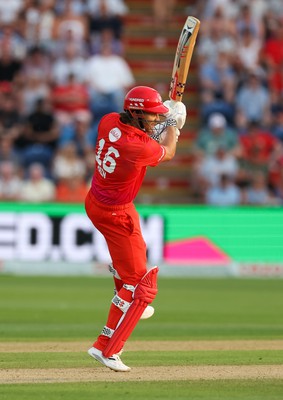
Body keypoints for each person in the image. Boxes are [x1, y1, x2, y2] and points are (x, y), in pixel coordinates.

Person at [85, 86, 186, 372]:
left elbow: (145, 135)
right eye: (151, 115)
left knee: (130, 273)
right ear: (136, 112)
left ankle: (125, 302)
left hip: (96, 202)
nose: (155, 119)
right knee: (140, 284)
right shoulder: (135, 148)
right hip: (117, 214)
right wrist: (174, 127)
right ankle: (107, 348)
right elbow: (166, 152)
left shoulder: (108, 121)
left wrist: (165, 118)